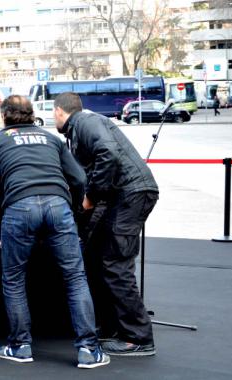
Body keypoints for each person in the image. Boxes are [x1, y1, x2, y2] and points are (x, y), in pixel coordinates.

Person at [0, 95, 109, 369]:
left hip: (18, 208)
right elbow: (79, 178)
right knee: (75, 278)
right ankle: (89, 349)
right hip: (58, 206)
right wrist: (73, 208)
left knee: (14, 280)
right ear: (32, 114)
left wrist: (6, 226)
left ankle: (20, 346)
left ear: (3, 115)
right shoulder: (52, 139)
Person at [53, 92, 159, 357]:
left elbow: (107, 153)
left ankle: (138, 337)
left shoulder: (85, 122)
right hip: (122, 196)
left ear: (58, 111)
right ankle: (113, 327)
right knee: (99, 257)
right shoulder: (79, 128)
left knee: (115, 264)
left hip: (131, 194)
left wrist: (90, 196)